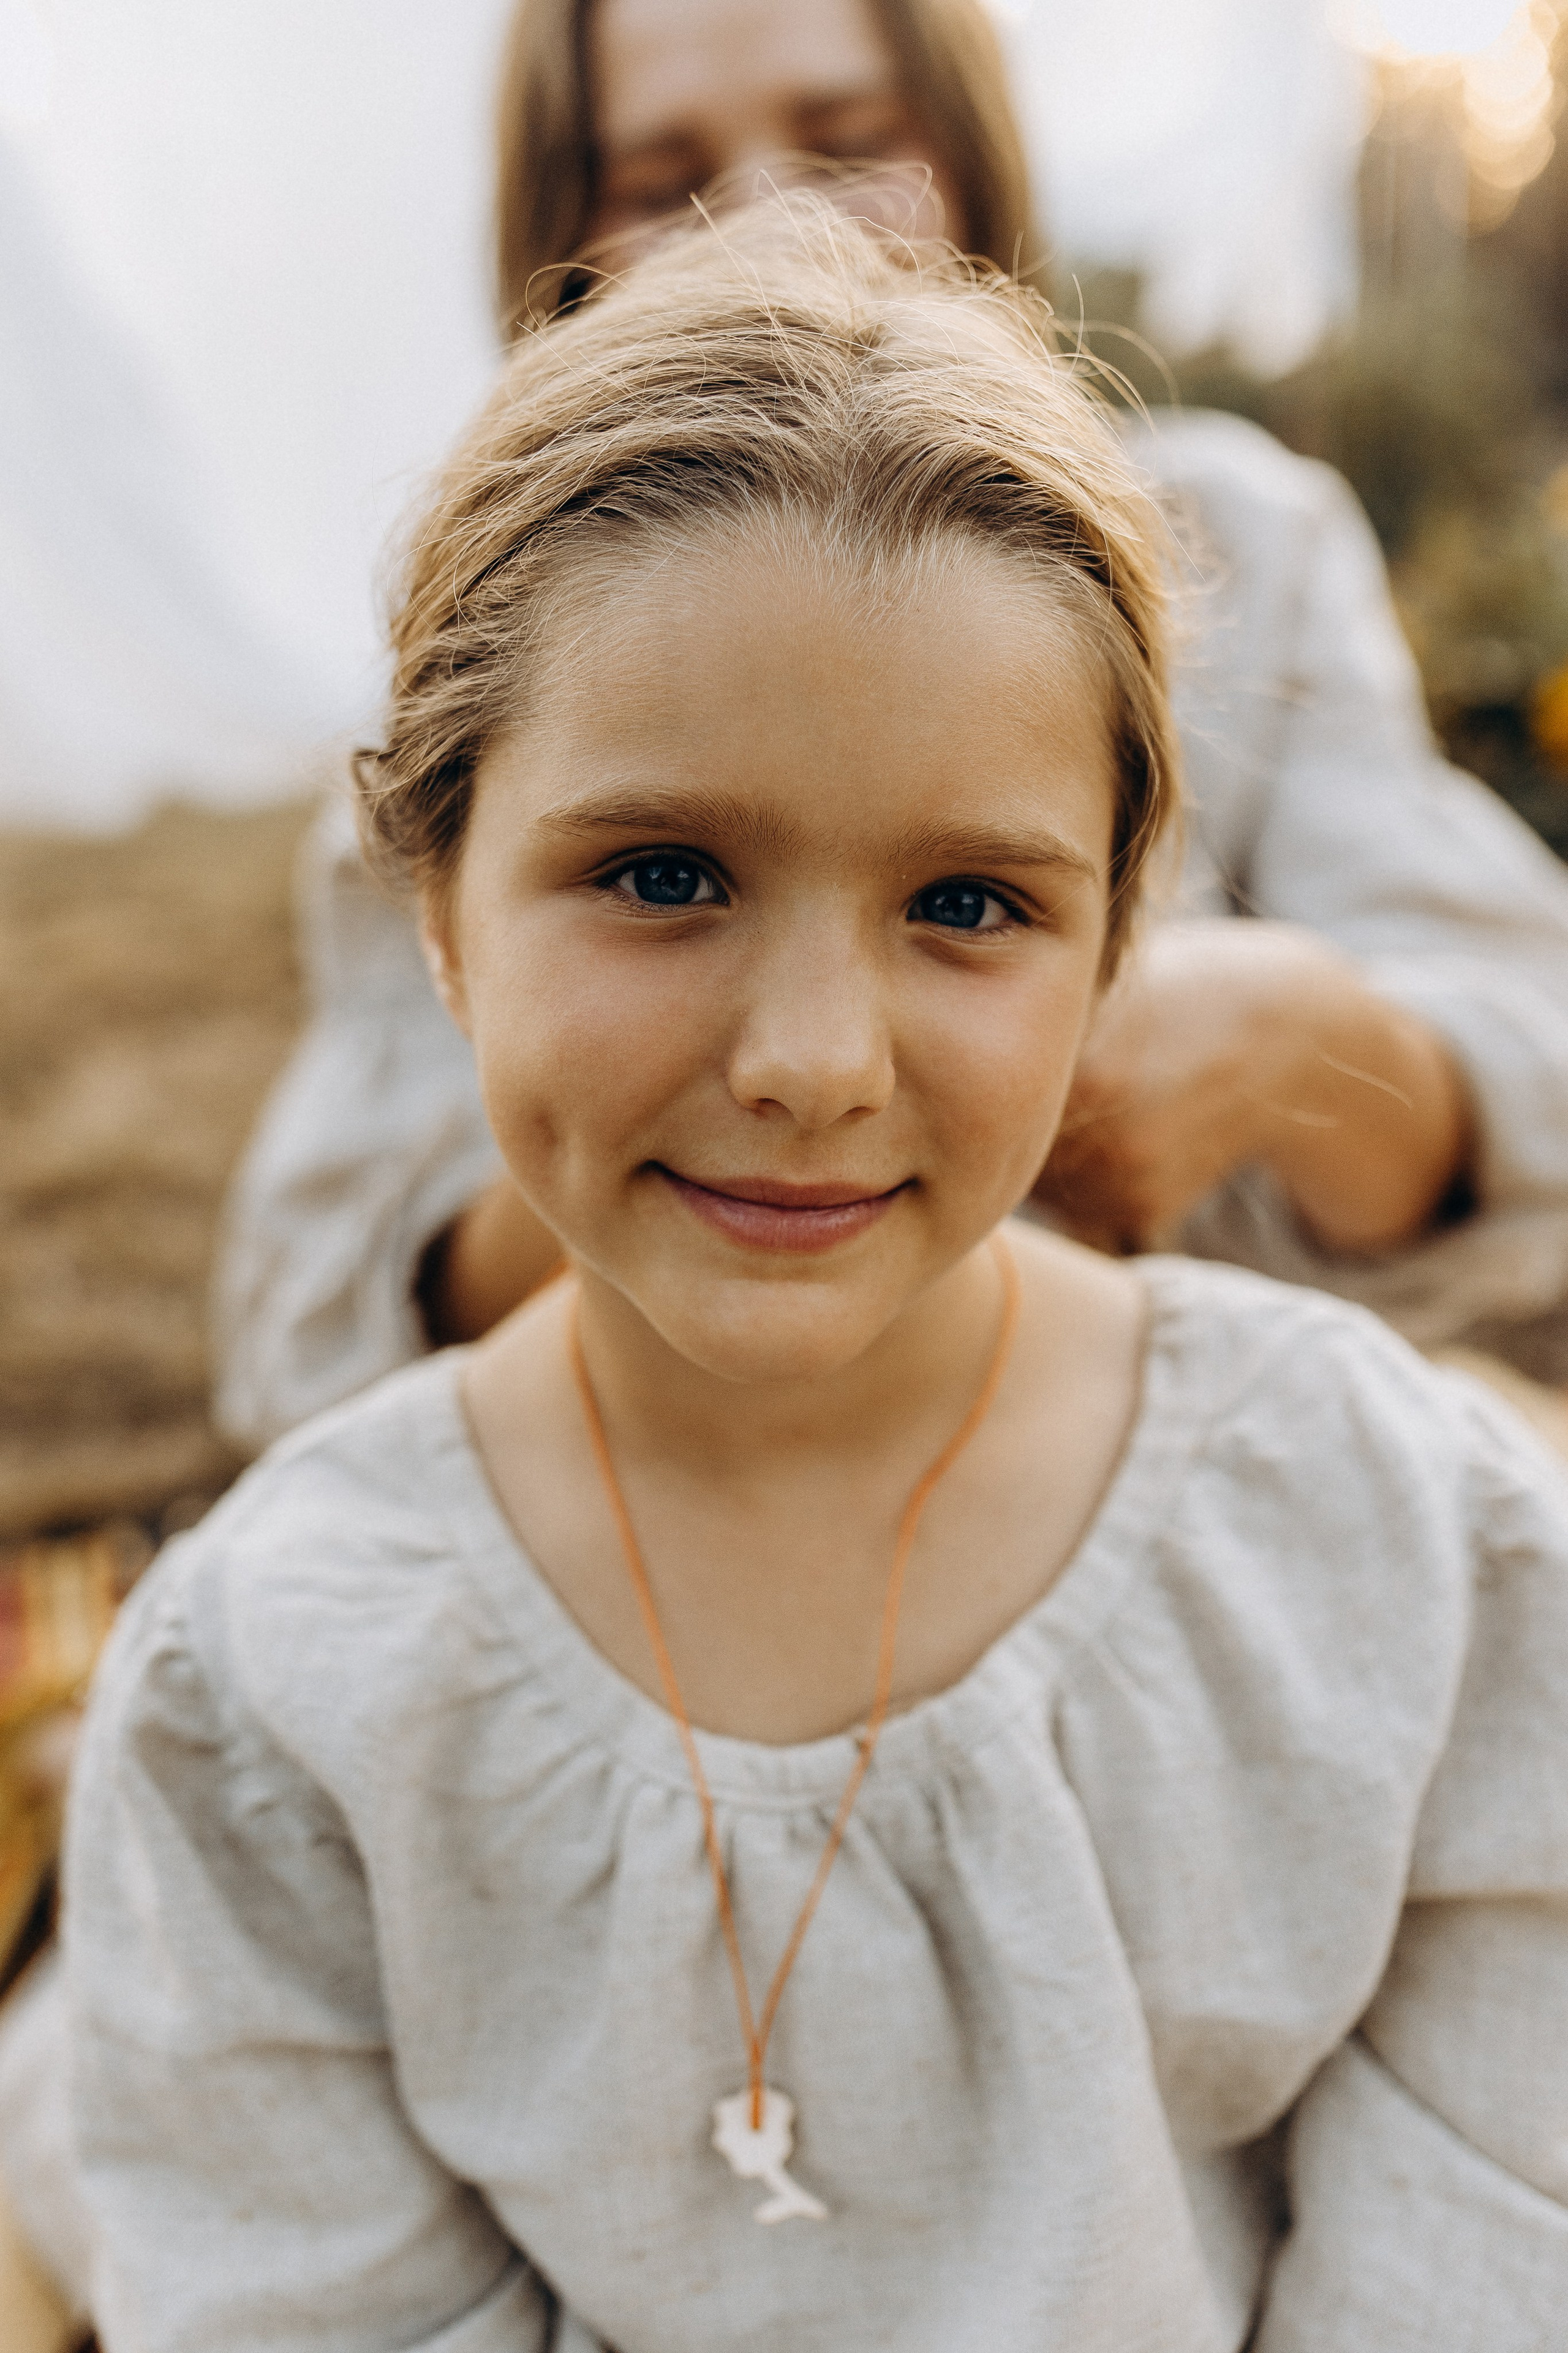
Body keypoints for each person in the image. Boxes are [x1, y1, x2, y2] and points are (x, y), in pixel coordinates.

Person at [66, 203, 1568, 2350]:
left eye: (968, 901)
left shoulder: (1424, 1569)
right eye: (661, 873)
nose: (809, 1063)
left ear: (1120, 943)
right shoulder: (273, 1698)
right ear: (436, 905)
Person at [212, 0, 1568, 1457]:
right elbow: (309, 1328)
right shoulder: (511, 665)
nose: (768, 228)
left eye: (851, 145)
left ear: (975, 167)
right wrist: (672, 1154)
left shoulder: (1240, 553)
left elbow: (1529, 1066)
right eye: (656, 182)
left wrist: (1296, 1043)